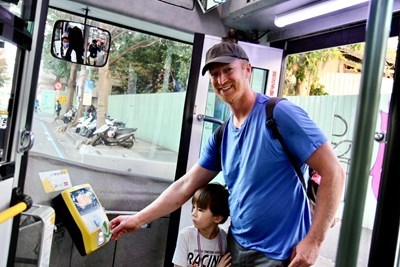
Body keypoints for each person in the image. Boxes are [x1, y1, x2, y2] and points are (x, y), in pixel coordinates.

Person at [109, 41, 345, 267]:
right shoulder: (223, 135)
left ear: (247, 69)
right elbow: (186, 185)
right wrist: (138, 219)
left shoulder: (279, 114)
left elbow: (334, 172)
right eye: (214, 74)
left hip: (280, 254)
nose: (221, 80)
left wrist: (314, 241)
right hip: (235, 247)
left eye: (227, 70)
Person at [172, 183, 231, 267]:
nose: (193, 213)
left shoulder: (224, 238)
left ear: (217, 218)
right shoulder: (186, 235)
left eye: (200, 210)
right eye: (193, 207)